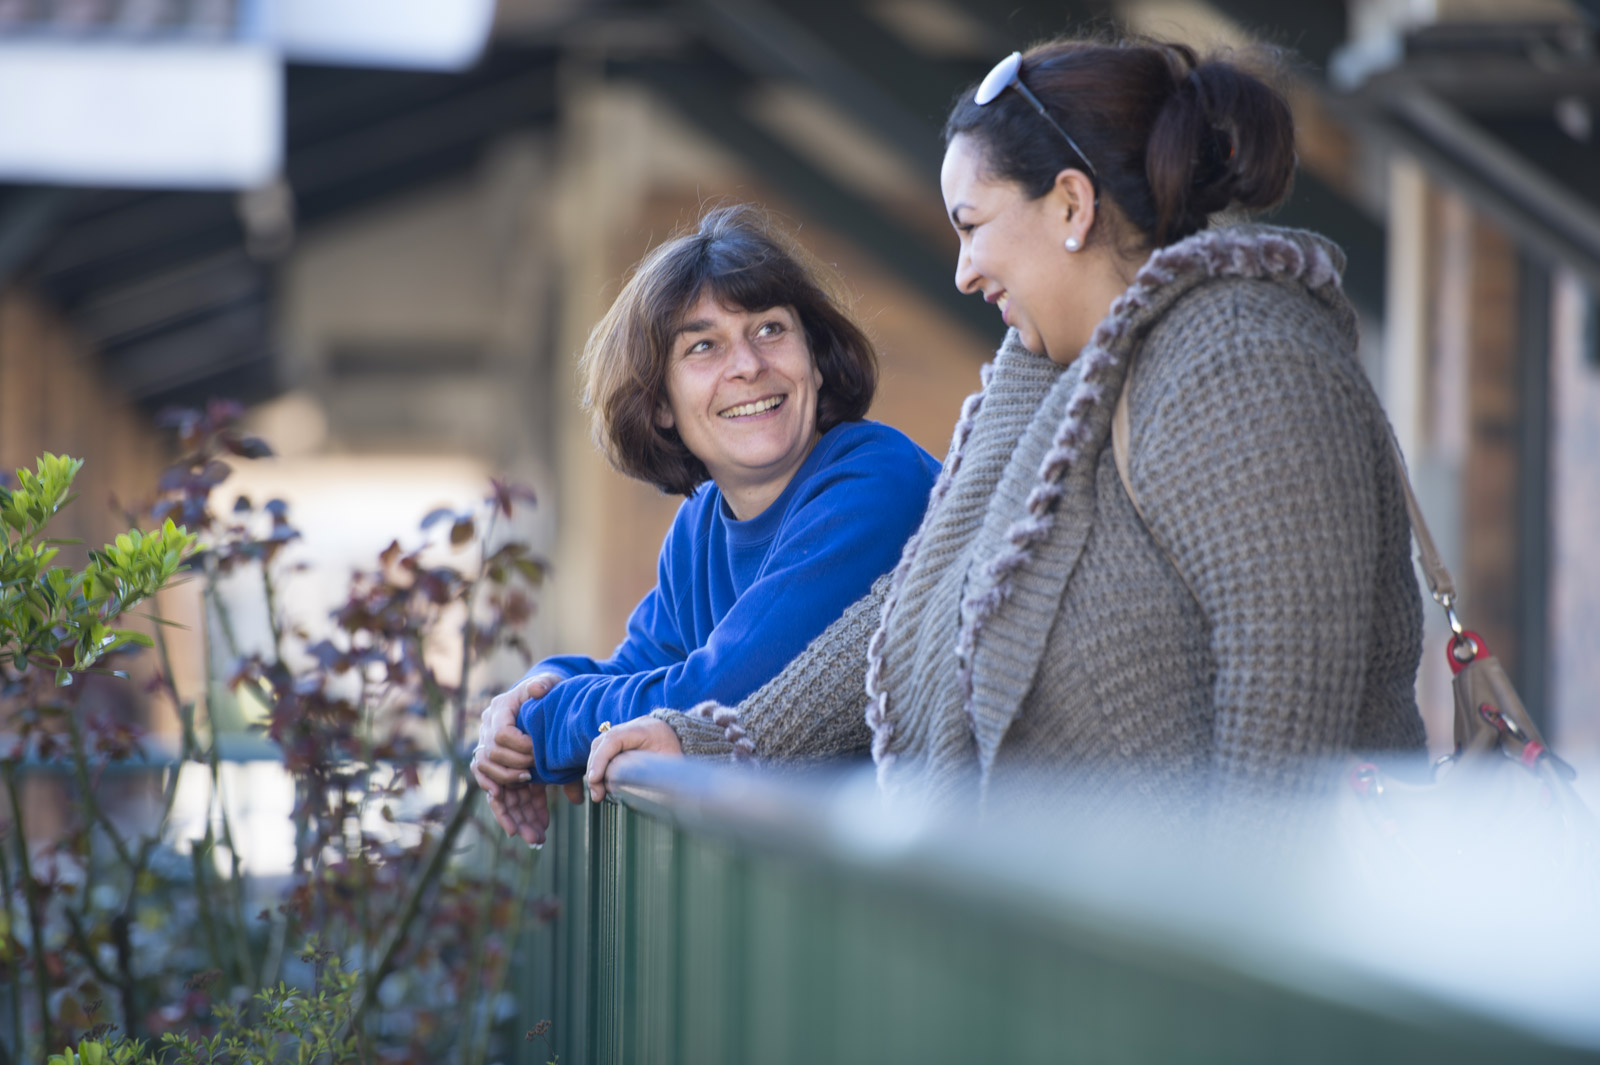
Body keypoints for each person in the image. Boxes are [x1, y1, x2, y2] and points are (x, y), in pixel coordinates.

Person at [586, 37, 1427, 823]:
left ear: (1070, 202)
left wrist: (1216, 969)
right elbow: (914, 608)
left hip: (1204, 950)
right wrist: (733, 738)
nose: (961, 270)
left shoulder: (1242, 364)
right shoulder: (1049, 384)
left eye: (972, 224)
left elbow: (1287, 732)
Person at [470, 204, 942, 843]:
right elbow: (633, 668)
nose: (747, 365)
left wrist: (543, 727)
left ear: (817, 357)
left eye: (771, 329)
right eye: (703, 346)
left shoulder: (875, 482)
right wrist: (528, 694)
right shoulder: (700, 525)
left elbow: (714, 696)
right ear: (660, 403)